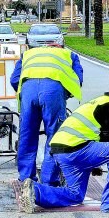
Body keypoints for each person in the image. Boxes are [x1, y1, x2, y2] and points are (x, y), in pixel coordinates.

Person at [20, 85, 109, 214]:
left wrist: (95, 163)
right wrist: (97, 164)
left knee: (75, 194)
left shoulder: (99, 100)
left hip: (61, 149)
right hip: (77, 148)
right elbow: (108, 137)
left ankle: (35, 191)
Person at [10, 45, 83, 186]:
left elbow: (14, 79)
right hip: (53, 90)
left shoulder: (28, 54)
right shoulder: (69, 55)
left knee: (27, 135)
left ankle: (26, 178)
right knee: (55, 137)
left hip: (28, 91)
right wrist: (64, 94)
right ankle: (49, 181)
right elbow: (77, 79)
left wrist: (25, 91)